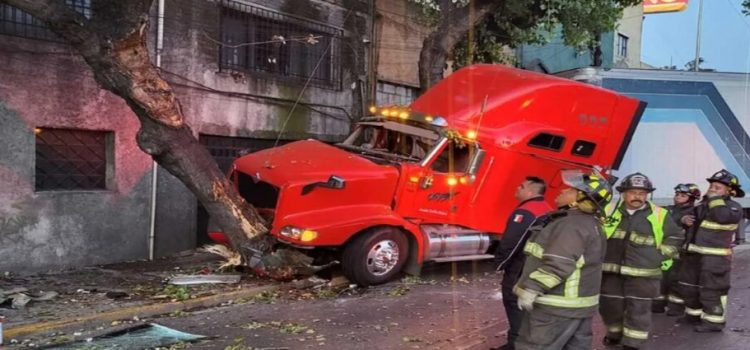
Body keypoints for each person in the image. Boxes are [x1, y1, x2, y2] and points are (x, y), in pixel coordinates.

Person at [512, 170, 612, 350]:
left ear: (580, 199)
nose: (562, 191)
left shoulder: (571, 225)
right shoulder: (589, 223)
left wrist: (532, 288)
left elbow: (559, 264)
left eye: (570, 190)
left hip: (555, 306)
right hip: (577, 306)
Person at [599, 173, 683, 350]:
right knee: (609, 307)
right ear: (623, 193)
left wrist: (659, 256)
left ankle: (633, 344)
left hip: (644, 275)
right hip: (611, 273)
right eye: (633, 192)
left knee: (638, 311)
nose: (637, 196)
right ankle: (614, 334)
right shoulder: (609, 211)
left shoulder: (660, 214)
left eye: (642, 193)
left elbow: (675, 237)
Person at [677, 169, 744, 332]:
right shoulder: (703, 206)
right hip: (694, 254)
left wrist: (715, 200)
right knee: (689, 286)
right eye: (712, 186)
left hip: (715, 258)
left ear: (730, 191)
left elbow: (721, 216)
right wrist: (683, 220)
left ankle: (714, 322)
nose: (712, 189)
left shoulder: (733, 208)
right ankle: (693, 314)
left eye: (718, 187)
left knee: (711, 289)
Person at [493, 177, 554, 350]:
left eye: (521, 186)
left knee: (513, 302)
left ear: (530, 192)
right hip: (536, 266)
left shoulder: (525, 212)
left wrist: (500, 263)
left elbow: (512, 242)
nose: (517, 188)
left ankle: (516, 345)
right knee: (529, 307)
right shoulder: (547, 209)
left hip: (519, 268)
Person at [652, 183, 701, 315]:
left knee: (676, 280)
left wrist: (683, 219)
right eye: (677, 194)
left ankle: (676, 307)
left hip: (680, 253)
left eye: (683, 195)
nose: (678, 197)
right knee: (660, 278)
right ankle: (657, 304)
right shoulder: (669, 209)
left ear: (691, 199)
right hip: (664, 250)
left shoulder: (693, 213)